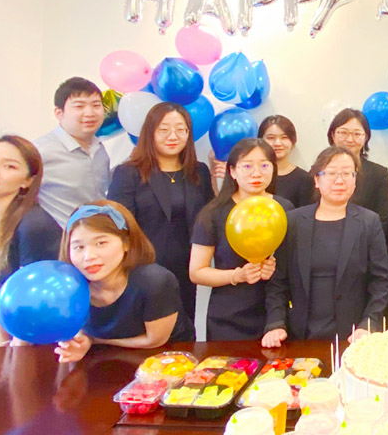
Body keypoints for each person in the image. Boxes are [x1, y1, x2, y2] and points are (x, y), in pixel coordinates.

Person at [263, 146, 388, 345]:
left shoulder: (369, 222)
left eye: (347, 173)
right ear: (316, 180)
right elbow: (278, 281)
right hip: (299, 334)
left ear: (355, 180)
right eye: (331, 173)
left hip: (354, 336)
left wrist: (368, 324)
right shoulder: (293, 221)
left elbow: (380, 282)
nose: (339, 181)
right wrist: (275, 323)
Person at [107, 103, 214, 320]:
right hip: (143, 271)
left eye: (181, 129)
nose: (173, 136)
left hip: (186, 270)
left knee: (183, 328)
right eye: (164, 130)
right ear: (150, 133)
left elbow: (211, 218)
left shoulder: (199, 171)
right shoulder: (128, 173)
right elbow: (118, 226)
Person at [54, 201, 194, 363]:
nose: (89, 256)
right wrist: (79, 342)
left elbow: (154, 340)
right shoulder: (69, 286)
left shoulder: (156, 281)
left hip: (166, 359)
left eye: (101, 243)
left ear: (126, 242)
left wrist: (94, 340)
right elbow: (77, 330)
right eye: (79, 247)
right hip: (102, 361)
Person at [189, 139, 293, 341]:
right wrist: (237, 275)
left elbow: (293, 262)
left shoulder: (285, 208)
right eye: (247, 166)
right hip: (228, 318)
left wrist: (276, 267)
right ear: (233, 171)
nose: (257, 173)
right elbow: (196, 272)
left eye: (264, 166)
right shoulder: (213, 213)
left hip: (275, 316)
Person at [0, 136, 62, 346]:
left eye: (9, 166)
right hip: (19, 328)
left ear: (27, 181)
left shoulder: (34, 225)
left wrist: (16, 349)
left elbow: (34, 300)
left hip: (51, 331)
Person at [34, 77, 110, 228]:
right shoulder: (40, 151)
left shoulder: (99, 148)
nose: (89, 113)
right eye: (79, 106)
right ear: (59, 113)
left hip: (95, 236)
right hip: (59, 239)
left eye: (96, 105)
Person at [326, 108, 388, 227]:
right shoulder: (320, 171)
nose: (350, 139)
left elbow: (383, 220)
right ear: (333, 135)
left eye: (357, 134)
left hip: (366, 236)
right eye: (343, 133)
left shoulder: (379, 174)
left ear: (366, 137)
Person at [258, 114, 315, 208]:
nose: (277, 143)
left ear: (293, 141)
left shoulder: (304, 179)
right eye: (271, 138)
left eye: (284, 137)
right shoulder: (253, 175)